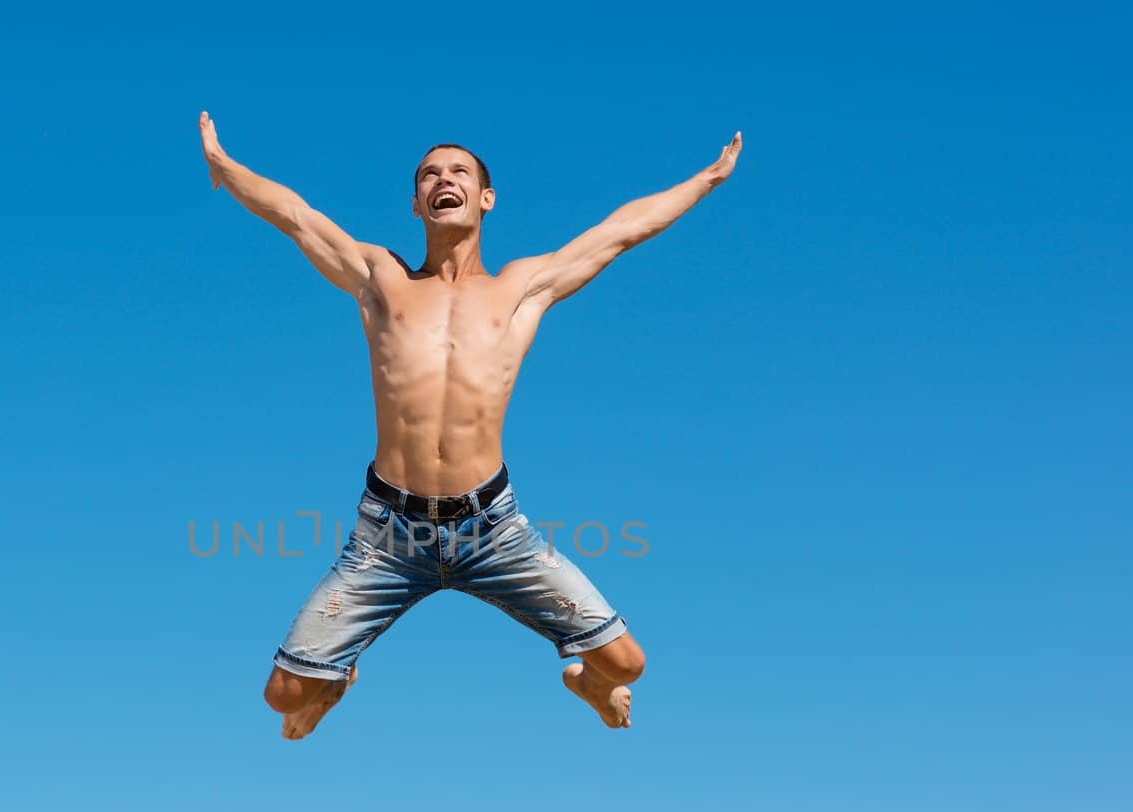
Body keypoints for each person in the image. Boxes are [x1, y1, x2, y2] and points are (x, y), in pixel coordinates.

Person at [198, 111, 742, 740]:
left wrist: (707, 178)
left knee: (626, 663)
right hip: (388, 537)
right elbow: (296, 216)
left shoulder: (519, 288)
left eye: (458, 172)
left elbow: (618, 232)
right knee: (281, 696)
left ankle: (588, 686)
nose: (442, 180)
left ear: (486, 198)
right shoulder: (384, 281)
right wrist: (225, 166)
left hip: (493, 531)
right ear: (416, 203)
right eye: (429, 175)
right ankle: (332, 685)